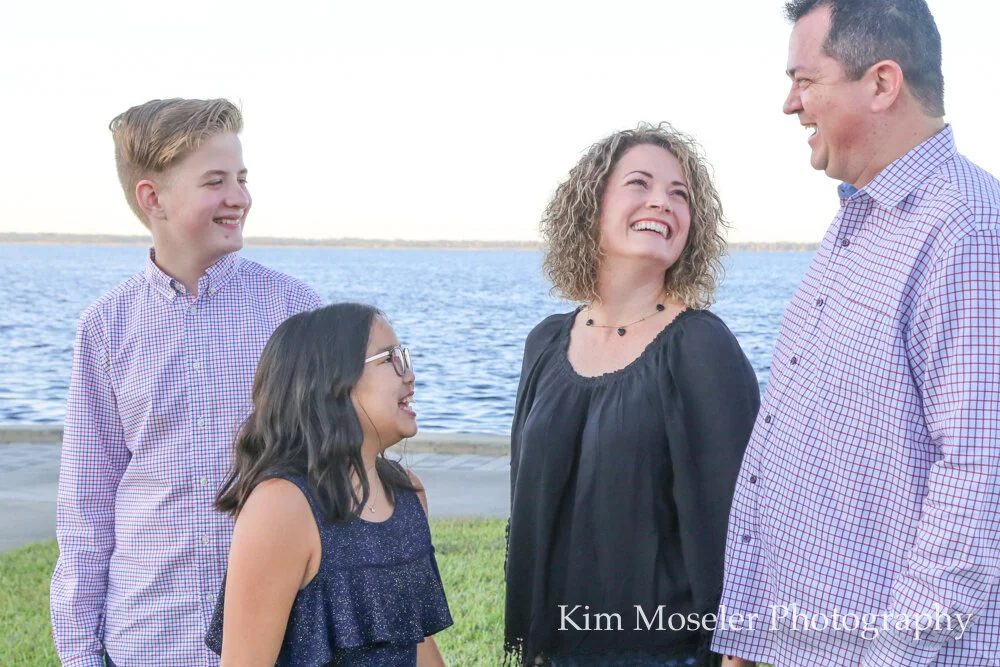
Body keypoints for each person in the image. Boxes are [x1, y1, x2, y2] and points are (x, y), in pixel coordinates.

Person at [713, 2, 1000, 666]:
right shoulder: (859, 220)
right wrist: (752, 638)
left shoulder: (969, 230)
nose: (791, 103)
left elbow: (978, 489)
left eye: (805, 80)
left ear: (882, 83)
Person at [49, 98, 323, 666]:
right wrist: (79, 653)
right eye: (215, 181)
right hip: (149, 638)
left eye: (242, 178)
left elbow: (336, 475)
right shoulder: (106, 327)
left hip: (281, 638)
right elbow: (87, 506)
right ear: (153, 199)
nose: (239, 197)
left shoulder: (296, 311)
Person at [504, 123, 760, 667]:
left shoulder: (701, 346)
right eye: (639, 183)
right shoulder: (544, 342)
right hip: (554, 649)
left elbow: (745, 525)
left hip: (666, 652)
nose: (662, 202)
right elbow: (524, 507)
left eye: (679, 193)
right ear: (590, 207)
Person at [204, 303, 452, 666]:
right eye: (390, 359)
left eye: (404, 357)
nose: (410, 375)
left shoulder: (406, 492)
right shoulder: (281, 507)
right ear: (332, 381)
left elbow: (416, 641)